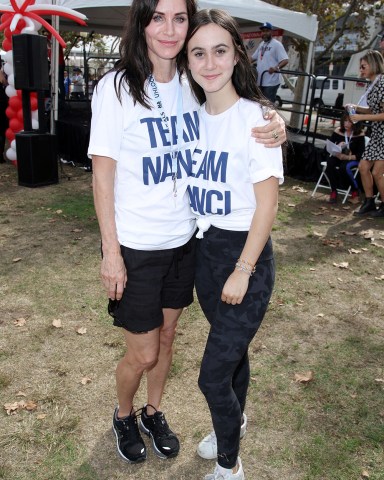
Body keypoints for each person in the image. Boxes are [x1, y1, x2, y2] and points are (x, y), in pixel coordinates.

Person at [88, 0, 286, 466]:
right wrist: (111, 252)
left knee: (170, 336)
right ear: (142, 22)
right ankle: (123, 414)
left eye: (179, 18)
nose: (170, 29)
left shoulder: (190, 82)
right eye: (158, 17)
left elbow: (236, 113)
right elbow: (102, 174)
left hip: (187, 241)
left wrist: (276, 122)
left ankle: (155, 412)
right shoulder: (115, 87)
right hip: (136, 244)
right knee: (143, 351)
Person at [184, 9, 284, 480]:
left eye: (219, 50)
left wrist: (243, 269)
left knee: (210, 375)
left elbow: (267, 206)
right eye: (198, 52)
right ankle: (234, 424)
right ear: (187, 60)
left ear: (237, 54)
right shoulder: (188, 118)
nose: (209, 62)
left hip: (245, 258)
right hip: (204, 255)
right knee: (233, 355)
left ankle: (230, 466)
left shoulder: (257, 120)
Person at [348, 50, 384, 217]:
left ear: (373, 64)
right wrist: (355, 107)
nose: (361, 70)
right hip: (377, 133)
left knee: (377, 172)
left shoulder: (382, 83)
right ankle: (369, 202)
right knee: (363, 168)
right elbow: (373, 109)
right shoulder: (373, 83)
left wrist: (360, 116)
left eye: (363, 66)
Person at [325, 111, 366, 204]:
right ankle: (334, 191)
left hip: (352, 158)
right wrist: (338, 147)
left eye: (349, 122)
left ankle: (355, 189)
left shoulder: (360, 134)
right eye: (345, 121)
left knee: (345, 168)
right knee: (330, 163)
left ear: (355, 123)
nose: (346, 124)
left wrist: (347, 157)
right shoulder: (338, 131)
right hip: (338, 155)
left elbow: (361, 154)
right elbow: (327, 148)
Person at [251, 21, 288, 102]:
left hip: (271, 82)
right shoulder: (261, 45)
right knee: (260, 105)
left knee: (268, 107)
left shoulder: (277, 44)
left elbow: (285, 60)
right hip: (260, 81)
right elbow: (252, 58)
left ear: (271, 32)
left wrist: (276, 67)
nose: (264, 33)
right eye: (263, 31)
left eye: (267, 31)